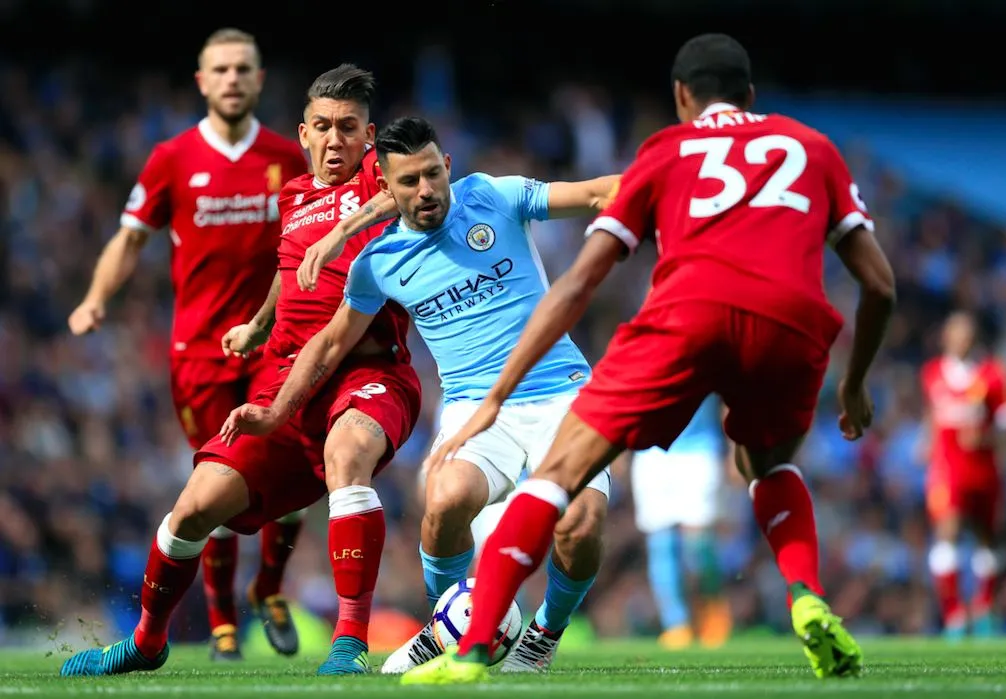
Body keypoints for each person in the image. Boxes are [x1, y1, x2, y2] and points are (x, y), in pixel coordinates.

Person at [405, 33, 897, 685]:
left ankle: (468, 654)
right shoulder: (813, 148)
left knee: (558, 473)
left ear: (680, 98)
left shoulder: (666, 150)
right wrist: (856, 383)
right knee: (765, 464)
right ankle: (806, 594)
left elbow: (579, 282)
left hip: (686, 313)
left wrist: (497, 393)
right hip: (792, 321)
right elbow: (880, 285)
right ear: (750, 96)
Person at [223, 115, 620, 674]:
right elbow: (330, 343)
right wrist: (275, 412)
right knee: (445, 500)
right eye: (409, 181)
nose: (426, 190)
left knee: (579, 524)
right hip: (474, 409)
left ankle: (544, 635)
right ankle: (447, 621)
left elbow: (601, 191)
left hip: (562, 393)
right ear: (386, 187)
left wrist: (666, 192)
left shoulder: (494, 196)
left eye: (433, 174)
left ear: (448, 167)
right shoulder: (379, 262)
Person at [60, 63, 420, 678]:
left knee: (348, 453)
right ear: (303, 134)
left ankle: (349, 642)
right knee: (195, 507)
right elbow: (288, 273)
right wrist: (258, 325)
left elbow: (407, 190)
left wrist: (340, 234)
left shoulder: (377, 177)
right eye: (323, 128)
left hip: (367, 373)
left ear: (369, 135)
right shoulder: (293, 197)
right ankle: (147, 643)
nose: (336, 140)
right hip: (285, 376)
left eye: (349, 128)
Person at [66, 28, 309, 661]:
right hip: (198, 357)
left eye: (243, 69)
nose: (232, 78)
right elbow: (129, 238)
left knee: (294, 471)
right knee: (214, 479)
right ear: (202, 81)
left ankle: (270, 588)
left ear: (259, 79)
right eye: (220, 69)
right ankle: (225, 623)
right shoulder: (171, 158)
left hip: (275, 347)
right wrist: (96, 299)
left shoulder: (289, 157)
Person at [920, 311, 1006, 638]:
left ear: (974, 338)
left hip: (984, 471)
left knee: (987, 540)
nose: (962, 339)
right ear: (946, 337)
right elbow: (932, 414)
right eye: (956, 333)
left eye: (967, 333)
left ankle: (983, 606)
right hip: (947, 470)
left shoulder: (993, 375)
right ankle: (952, 614)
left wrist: (989, 436)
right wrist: (927, 443)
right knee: (946, 532)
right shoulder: (932, 373)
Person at [631, 396, 731, 649]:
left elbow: (730, 395)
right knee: (661, 544)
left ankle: (710, 605)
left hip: (700, 450)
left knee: (698, 544)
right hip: (651, 452)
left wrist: (734, 448)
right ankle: (677, 624)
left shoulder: (712, 355)